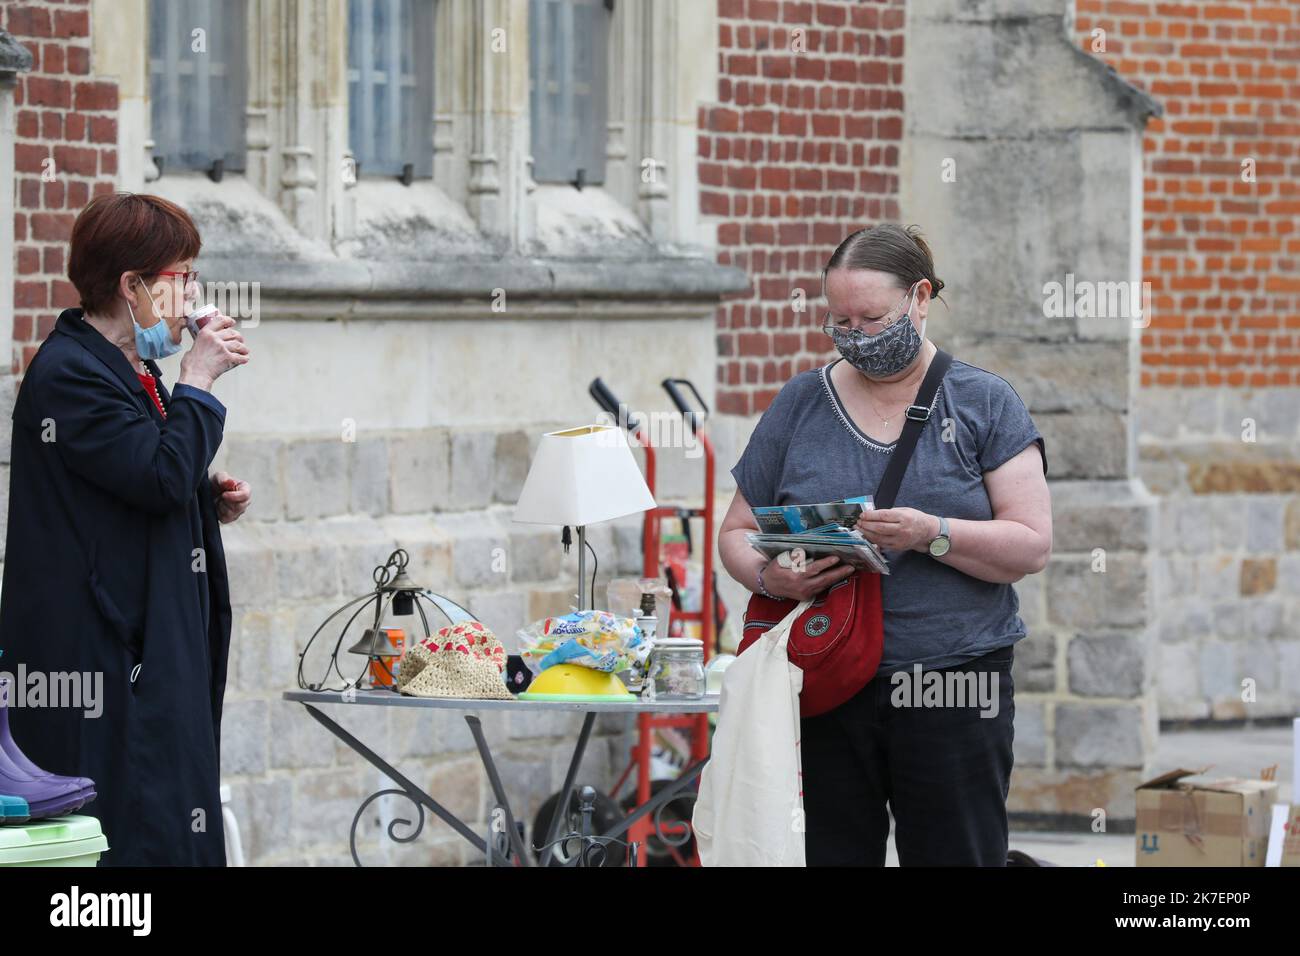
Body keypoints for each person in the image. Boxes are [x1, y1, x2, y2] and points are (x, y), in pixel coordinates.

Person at [719, 223, 1052, 866]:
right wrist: (771, 579)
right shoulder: (800, 403)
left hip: (952, 679)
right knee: (830, 854)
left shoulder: (984, 401)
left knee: (956, 853)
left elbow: (1031, 544)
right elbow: (735, 535)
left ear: (919, 298)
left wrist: (934, 534)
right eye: (838, 320)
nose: (854, 334)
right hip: (827, 678)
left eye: (871, 317)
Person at [0, 192, 251, 865]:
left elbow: (148, 483)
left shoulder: (133, 370)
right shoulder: (69, 375)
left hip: (145, 653)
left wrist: (206, 500)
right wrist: (198, 379)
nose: (191, 296)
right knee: (132, 841)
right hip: (102, 666)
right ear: (130, 286)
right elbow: (155, 477)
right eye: (179, 279)